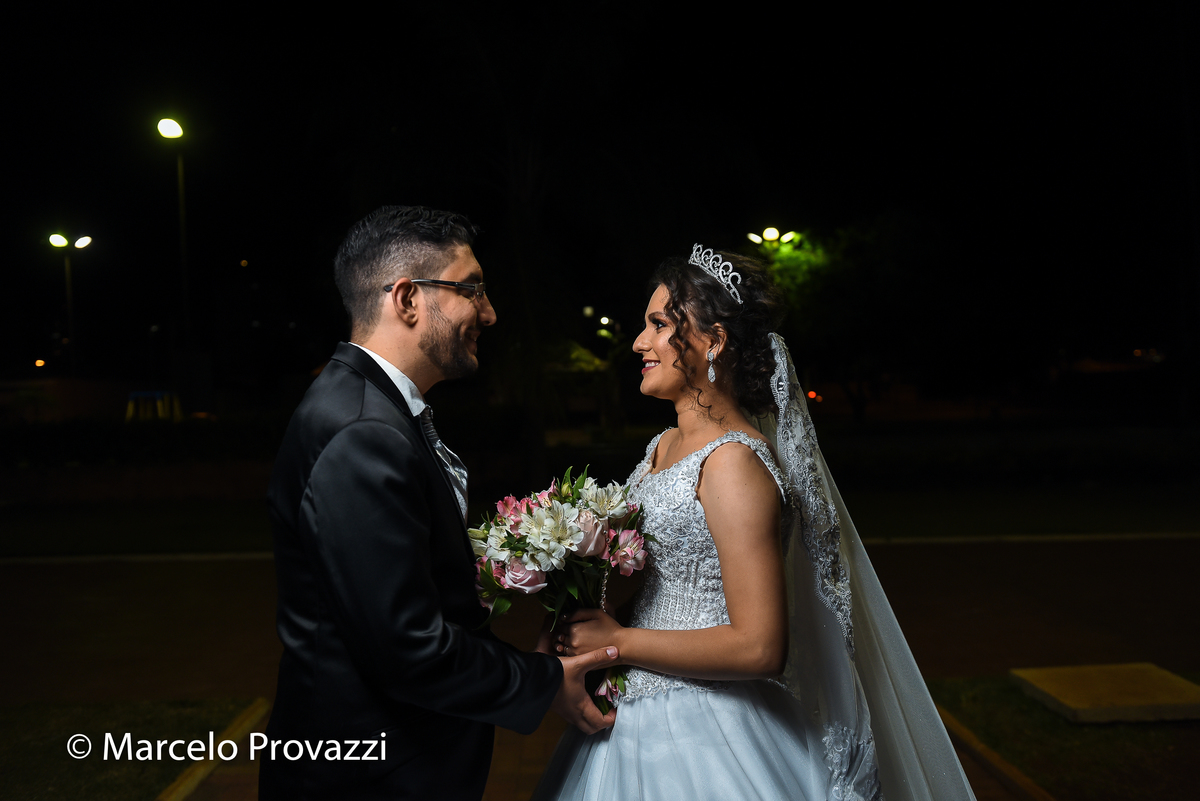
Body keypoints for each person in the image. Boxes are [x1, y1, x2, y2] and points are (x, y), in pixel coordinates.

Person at [532, 245, 976, 800]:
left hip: (706, 729)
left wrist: (619, 642)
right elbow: (662, 585)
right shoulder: (663, 446)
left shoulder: (734, 462)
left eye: (658, 325)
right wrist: (579, 620)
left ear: (714, 341)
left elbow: (760, 646)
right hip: (633, 708)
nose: (640, 343)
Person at [260, 205, 619, 801]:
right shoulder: (363, 432)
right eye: (470, 289)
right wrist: (542, 681)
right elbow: (406, 647)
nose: (489, 312)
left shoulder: (372, 408)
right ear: (407, 299)